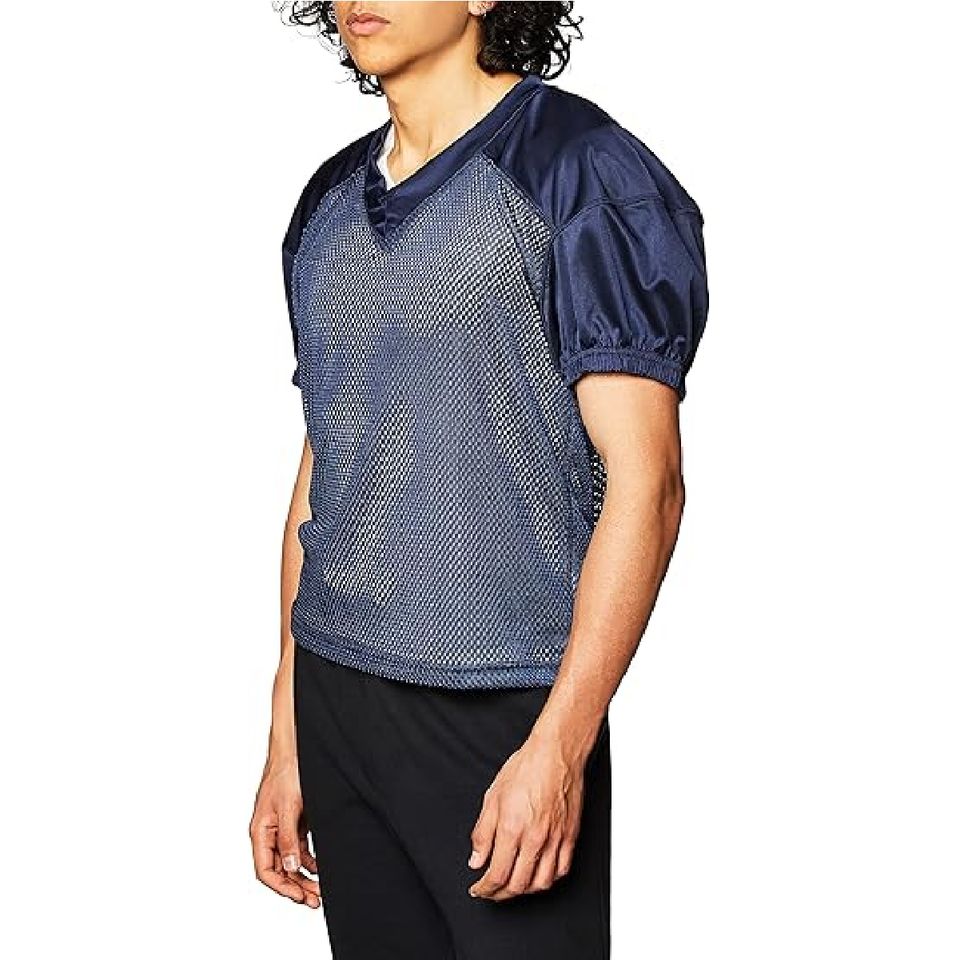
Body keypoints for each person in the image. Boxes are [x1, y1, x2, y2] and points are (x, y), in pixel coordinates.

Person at [250, 2, 710, 957]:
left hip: (501, 704)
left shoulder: (581, 173)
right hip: (337, 697)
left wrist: (562, 743)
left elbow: (650, 483)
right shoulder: (327, 202)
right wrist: (286, 725)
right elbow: (326, 463)